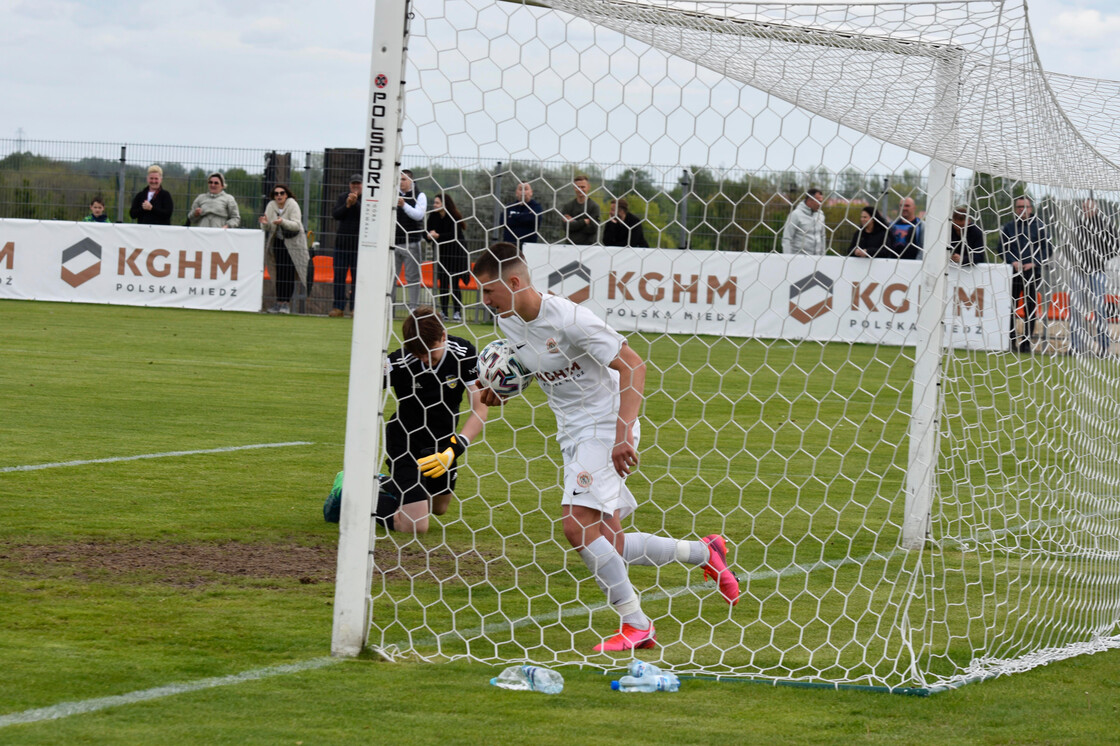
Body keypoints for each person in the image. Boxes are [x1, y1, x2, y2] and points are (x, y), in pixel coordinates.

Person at [472, 242, 740, 652]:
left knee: (576, 525)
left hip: (607, 426)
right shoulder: (509, 322)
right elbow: (534, 369)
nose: (482, 299)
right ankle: (704, 552)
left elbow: (634, 365)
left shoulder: (570, 318)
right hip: (572, 434)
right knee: (611, 544)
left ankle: (636, 623)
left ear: (513, 282)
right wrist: (501, 391)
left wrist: (621, 435)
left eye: (488, 291)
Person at [378, 306, 489, 533]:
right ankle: (352, 492)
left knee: (439, 507)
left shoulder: (463, 353)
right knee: (416, 525)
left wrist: (453, 450)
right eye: (420, 355)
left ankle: (383, 484)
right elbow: (365, 386)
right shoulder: (400, 362)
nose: (427, 361)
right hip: (405, 443)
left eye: (432, 353)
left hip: (442, 442)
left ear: (444, 336)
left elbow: (480, 409)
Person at [998, 196, 1052, 353]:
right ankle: (1011, 340)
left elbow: (1047, 249)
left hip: (1032, 273)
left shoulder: (1040, 227)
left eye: (1025, 206)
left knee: (1030, 307)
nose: (1021, 209)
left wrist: (1034, 262)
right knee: (1009, 307)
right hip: (1013, 273)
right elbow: (1001, 248)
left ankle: (1026, 342)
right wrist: (1012, 261)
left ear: (1031, 209)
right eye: (1019, 206)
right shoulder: (1008, 227)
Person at [1069, 198, 1119, 356]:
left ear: (1096, 207)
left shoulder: (1105, 224)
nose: (1085, 209)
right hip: (1078, 272)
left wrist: (1099, 258)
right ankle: (1076, 346)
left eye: (1088, 206)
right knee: (1075, 309)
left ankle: (1103, 347)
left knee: (1099, 310)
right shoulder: (1078, 223)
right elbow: (1072, 245)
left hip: (1097, 272)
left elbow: (1116, 246)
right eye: (1083, 206)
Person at [258, 184, 309, 315]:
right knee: (279, 272)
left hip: (294, 243)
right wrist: (264, 224)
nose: (279, 196)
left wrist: (282, 222)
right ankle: (279, 302)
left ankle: (286, 303)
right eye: (276, 194)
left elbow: (296, 225)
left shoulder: (292, 204)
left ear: (286, 195)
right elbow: (268, 227)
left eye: (282, 193)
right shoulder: (271, 206)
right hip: (278, 242)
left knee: (289, 273)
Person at [427, 192, 469, 322]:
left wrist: (438, 235)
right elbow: (427, 230)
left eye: (437, 203)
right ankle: (444, 311)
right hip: (442, 254)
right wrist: (428, 235)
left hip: (456, 254)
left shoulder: (453, 217)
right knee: (443, 283)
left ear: (445, 205)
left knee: (455, 283)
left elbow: (453, 235)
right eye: (434, 203)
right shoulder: (433, 216)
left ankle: (457, 311)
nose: (434, 205)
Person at [329, 174, 362, 318]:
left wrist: (356, 204)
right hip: (342, 244)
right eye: (353, 183)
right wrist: (347, 205)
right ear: (349, 185)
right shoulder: (343, 197)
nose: (355, 186)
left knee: (357, 278)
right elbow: (336, 214)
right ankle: (338, 307)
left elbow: (366, 215)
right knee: (339, 277)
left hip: (359, 246)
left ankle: (356, 308)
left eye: (358, 184)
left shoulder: (368, 198)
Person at [395, 169, 428, 310]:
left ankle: (413, 309)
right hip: (393, 243)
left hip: (412, 243)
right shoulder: (392, 194)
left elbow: (419, 215)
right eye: (399, 179)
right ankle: (389, 306)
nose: (400, 182)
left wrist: (404, 205)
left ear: (410, 181)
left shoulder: (420, 196)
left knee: (412, 278)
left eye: (403, 179)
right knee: (391, 277)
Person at [782, 188, 828, 255]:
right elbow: (787, 238)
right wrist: (788, 258)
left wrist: (822, 256)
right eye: (818, 201)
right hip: (799, 258)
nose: (820, 204)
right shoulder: (795, 215)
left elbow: (822, 236)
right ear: (809, 200)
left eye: (821, 201)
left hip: (816, 259)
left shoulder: (821, 215)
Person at [560, 174, 600, 246]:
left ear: (588, 187)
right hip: (571, 246)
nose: (580, 190)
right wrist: (584, 221)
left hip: (589, 247)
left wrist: (574, 223)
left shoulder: (594, 207)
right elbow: (566, 227)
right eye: (577, 187)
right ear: (574, 188)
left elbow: (593, 228)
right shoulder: (568, 206)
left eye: (583, 187)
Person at [503, 181, 543, 247]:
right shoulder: (509, 207)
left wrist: (513, 216)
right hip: (510, 246)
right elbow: (502, 222)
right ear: (516, 193)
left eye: (526, 189)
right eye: (521, 189)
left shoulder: (536, 207)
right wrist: (525, 217)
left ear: (531, 192)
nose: (523, 191)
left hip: (528, 246)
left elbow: (533, 219)